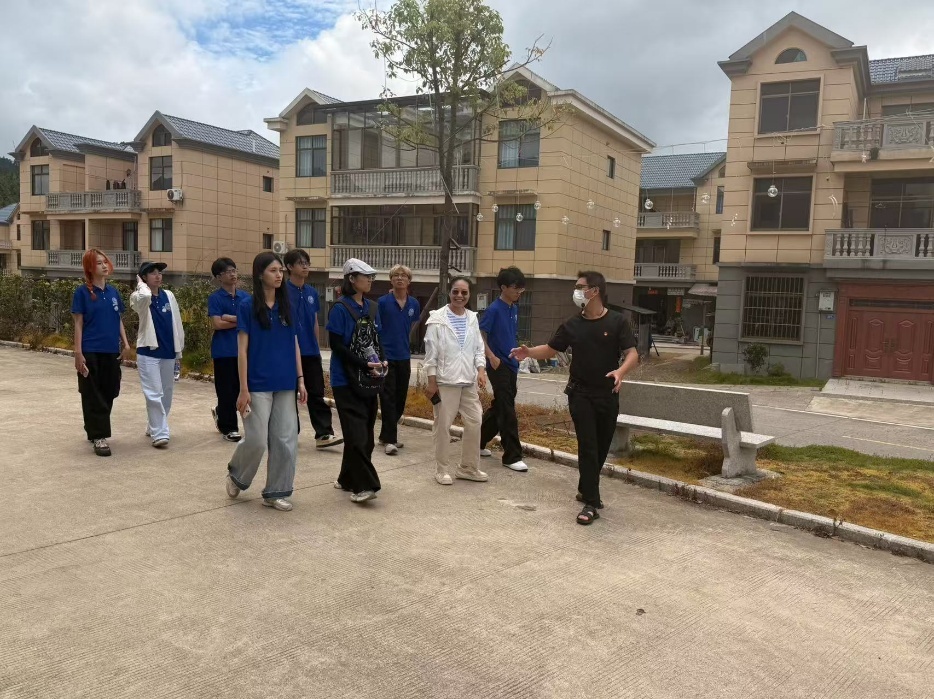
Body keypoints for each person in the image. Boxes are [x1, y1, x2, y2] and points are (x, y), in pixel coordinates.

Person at [511, 271, 638, 525]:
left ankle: (585, 487)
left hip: (607, 394)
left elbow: (632, 353)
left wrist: (621, 372)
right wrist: (529, 352)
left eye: (581, 287)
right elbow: (551, 349)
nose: (576, 291)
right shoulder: (572, 324)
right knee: (588, 446)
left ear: (595, 291)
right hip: (580, 394)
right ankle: (591, 502)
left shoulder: (617, 322)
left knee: (601, 447)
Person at [225, 252, 307, 512]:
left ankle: (276, 491)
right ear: (260, 274)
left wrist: (300, 379)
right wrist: (243, 388)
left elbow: (294, 343)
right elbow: (242, 350)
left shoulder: (287, 306)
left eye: (281, 270)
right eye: (273, 270)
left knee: (285, 440)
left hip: (285, 382)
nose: (279, 275)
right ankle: (237, 474)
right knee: (258, 440)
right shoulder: (247, 306)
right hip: (257, 383)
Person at [327, 258, 385, 504]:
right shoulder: (339, 309)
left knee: (366, 435)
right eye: (365, 276)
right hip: (345, 380)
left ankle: (347, 478)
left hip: (369, 378)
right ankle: (366, 485)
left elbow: (375, 340)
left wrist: (381, 361)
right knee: (356, 434)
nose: (370, 280)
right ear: (351, 279)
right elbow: (336, 345)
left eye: (371, 276)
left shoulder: (372, 307)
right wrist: (363, 364)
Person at [424, 277, 489, 486]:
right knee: (443, 426)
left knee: (475, 421)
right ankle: (441, 469)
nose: (459, 296)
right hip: (445, 382)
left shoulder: (472, 318)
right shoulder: (437, 319)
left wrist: (481, 371)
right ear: (449, 293)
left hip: (468, 382)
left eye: (464, 292)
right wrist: (432, 381)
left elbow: (478, 349)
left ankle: (468, 468)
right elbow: (431, 355)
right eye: (455, 291)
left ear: (469, 295)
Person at [71, 249, 130, 457]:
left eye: (105, 262)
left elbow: (118, 319)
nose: (104, 266)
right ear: (90, 268)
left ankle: (93, 427)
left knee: (110, 390)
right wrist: (78, 352)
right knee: (93, 393)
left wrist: (126, 344)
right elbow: (78, 324)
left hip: (110, 350)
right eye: (98, 263)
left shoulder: (113, 292)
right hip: (90, 350)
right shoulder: (82, 293)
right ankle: (99, 436)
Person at [283, 248, 343, 449]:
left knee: (316, 393)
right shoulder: (282, 292)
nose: (305, 266)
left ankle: (324, 433)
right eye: (301, 263)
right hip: (288, 352)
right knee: (288, 395)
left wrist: (316, 347)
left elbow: (315, 321)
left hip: (310, 351)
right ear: (289, 267)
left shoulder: (311, 292)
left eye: (307, 263)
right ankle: (290, 433)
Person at [130, 261, 185, 448]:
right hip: (148, 352)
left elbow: (177, 323)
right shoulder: (138, 297)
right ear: (144, 277)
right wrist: (141, 285)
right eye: (152, 273)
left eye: (159, 272)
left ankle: (153, 425)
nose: (158, 276)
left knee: (166, 394)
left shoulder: (169, 295)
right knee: (154, 392)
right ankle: (160, 433)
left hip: (168, 351)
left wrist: (179, 351)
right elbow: (144, 296)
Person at [479, 266, 527, 472]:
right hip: (498, 365)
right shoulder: (493, 309)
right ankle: (512, 456)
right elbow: (480, 334)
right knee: (507, 409)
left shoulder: (513, 308)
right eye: (515, 288)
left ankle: (476, 441)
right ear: (503, 287)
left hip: (512, 363)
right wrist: (491, 356)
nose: (519, 292)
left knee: (500, 406)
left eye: (521, 288)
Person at [377, 264, 420, 455]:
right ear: (391, 279)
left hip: (404, 355)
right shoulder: (382, 302)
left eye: (404, 275)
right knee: (387, 397)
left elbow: (411, 324)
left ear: (409, 281)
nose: (400, 278)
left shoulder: (414, 304)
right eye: (396, 275)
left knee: (401, 398)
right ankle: (390, 440)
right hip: (386, 356)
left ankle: (384, 435)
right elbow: (377, 329)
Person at [208, 257, 250, 442]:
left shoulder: (246, 297)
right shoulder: (215, 298)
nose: (233, 274)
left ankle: (243, 422)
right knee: (226, 391)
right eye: (228, 272)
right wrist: (240, 321)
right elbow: (217, 324)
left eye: (234, 270)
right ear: (219, 277)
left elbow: (252, 321)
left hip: (245, 351)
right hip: (224, 351)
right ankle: (229, 427)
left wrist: (228, 317)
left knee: (245, 388)